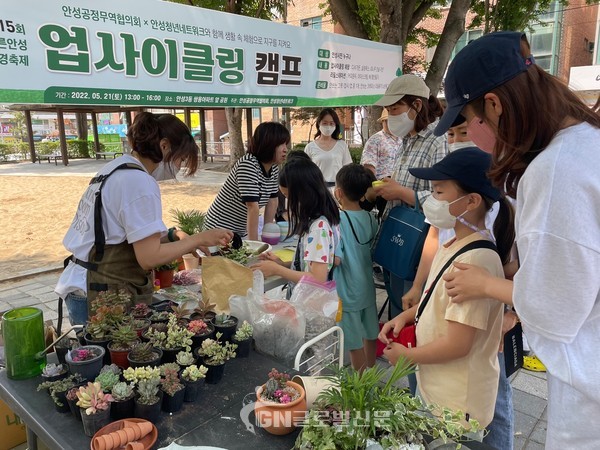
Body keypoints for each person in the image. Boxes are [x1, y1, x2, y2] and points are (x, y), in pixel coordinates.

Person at [433, 31, 600, 449]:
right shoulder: (586, 143)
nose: (471, 134)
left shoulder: (556, 170)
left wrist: (492, 285)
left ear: (494, 105)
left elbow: (555, 306)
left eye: (470, 121)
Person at [379, 148, 515, 436]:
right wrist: (406, 316)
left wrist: (406, 357)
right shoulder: (452, 243)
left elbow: (458, 344)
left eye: (439, 192)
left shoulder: (477, 261)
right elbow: (435, 299)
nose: (432, 200)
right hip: (438, 390)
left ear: (472, 201)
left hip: (457, 404)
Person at [55, 112, 233, 325]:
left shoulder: (116, 168)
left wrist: (174, 235)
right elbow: (149, 257)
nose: (180, 166)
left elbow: (123, 234)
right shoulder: (138, 181)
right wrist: (197, 239)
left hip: (82, 283)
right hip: (98, 290)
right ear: (165, 146)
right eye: (181, 158)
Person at [370, 74, 448, 319]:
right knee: (397, 309)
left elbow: (445, 201)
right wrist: (390, 186)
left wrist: (403, 193)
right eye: (388, 109)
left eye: (395, 109)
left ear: (416, 105)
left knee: (413, 313)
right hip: (399, 235)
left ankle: (410, 357)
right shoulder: (408, 138)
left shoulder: (439, 140)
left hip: (421, 244)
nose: (391, 116)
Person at [251, 153, 339, 286]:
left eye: (288, 195)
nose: (286, 202)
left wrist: (277, 270)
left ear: (303, 194)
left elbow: (318, 278)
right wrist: (282, 264)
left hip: (311, 303)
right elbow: (309, 266)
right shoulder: (315, 221)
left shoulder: (318, 228)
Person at [203, 122, 289, 240]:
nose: (285, 149)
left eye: (286, 144)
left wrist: (267, 235)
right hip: (219, 228)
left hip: (239, 231)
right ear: (268, 144)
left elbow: (272, 201)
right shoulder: (248, 164)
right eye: (281, 144)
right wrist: (256, 245)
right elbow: (252, 207)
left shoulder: (273, 167)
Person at [333, 164, 379, 372]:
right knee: (371, 332)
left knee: (353, 343)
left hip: (347, 292)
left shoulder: (338, 221)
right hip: (368, 288)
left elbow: (336, 259)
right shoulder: (371, 218)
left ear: (338, 192)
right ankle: (371, 369)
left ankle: (362, 384)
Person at [304, 108, 352, 186]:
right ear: (319, 124)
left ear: (335, 125)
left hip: (339, 190)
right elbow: (305, 173)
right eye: (325, 123)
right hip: (317, 189)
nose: (328, 126)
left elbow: (348, 169)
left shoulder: (342, 145)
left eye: (331, 123)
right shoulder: (310, 147)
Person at [360, 109, 402, 179]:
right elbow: (368, 167)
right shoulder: (375, 140)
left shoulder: (402, 139)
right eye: (387, 121)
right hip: (381, 184)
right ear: (383, 122)